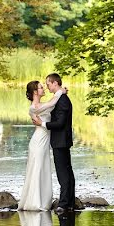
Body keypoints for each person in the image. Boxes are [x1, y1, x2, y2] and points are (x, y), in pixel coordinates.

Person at [32, 73, 75, 213]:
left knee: (63, 173)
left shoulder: (62, 100)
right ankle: (69, 201)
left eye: (48, 84)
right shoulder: (60, 98)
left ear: (55, 83)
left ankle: (63, 204)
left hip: (60, 140)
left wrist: (42, 123)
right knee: (67, 171)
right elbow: (51, 105)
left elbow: (60, 123)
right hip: (61, 140)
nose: (47, 87)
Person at [18, 80, 59, 211]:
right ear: (35, 92)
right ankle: (35, 202)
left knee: (43, 168)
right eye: (41, 88)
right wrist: (59, 92)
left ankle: (43, 200)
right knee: (38, 168)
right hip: (38, 141)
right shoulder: (34, 108)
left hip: (44, 141)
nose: (44, 89)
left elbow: (51, 106)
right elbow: (52, 103)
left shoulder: (42, 105)